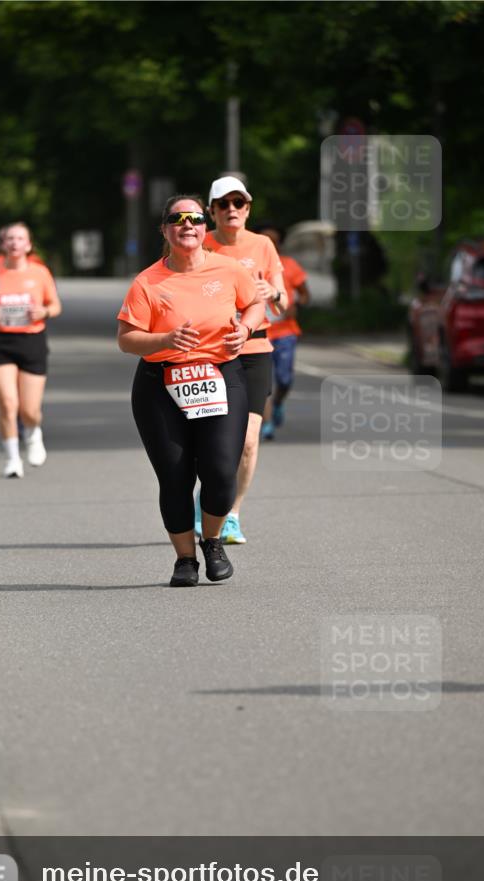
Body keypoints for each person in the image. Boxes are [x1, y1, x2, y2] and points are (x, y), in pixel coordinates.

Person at [117, 194, 264, 587]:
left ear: (204, 227)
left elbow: (255, 307)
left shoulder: (229, 270)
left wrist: (245, 329)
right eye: (176, 218)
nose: (187, 224)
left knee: (219, 472)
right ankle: (185, 560)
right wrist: (165, 338)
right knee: (176, 477)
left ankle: (212, 540)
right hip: (160, 386)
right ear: (164, 229)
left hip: (220, 377)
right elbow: (127, 339)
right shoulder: (147, 281)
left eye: (195, 218)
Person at [202, 176, 288, 543]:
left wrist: (274, 293)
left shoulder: (263, 246)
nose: (232, 210)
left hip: (254, 351)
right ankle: (205, 501)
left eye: (239, 203)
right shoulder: (200, 244)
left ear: (248, 209)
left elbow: (284, 303)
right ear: (212, 211)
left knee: (249, 441)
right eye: (224, 204)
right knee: (211, 441)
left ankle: (232, 514)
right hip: (211, 353)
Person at [0, 222, 61, 478]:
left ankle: (33, 433)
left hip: (32, 341)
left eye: (20, 238)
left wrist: (43, 311)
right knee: (7, 403)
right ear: (2, 244)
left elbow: (55, 306)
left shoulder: (40, 272)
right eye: (9, 238)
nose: (14, 242)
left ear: (28, 245)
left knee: (29, 410)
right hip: (0, 342)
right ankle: (12, 459)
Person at [253, 222, 310, 440]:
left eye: (275, 241)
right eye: (266, 240)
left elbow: (305, 294)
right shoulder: (249, 265)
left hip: (286, 332)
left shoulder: (290, 266)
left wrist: (297, 305)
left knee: (284, 379)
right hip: (260, 332)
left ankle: (277, 403)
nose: (271, 245)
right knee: (264, 381)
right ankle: (266, 423)